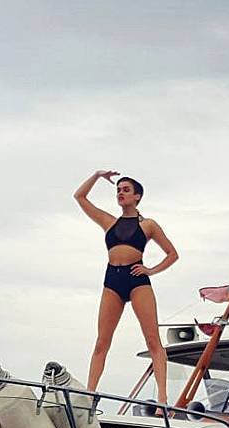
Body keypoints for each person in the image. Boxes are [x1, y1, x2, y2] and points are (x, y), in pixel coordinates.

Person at [73, 170, 178, 406]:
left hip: (136, 280)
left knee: (152, 340)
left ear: (137, 196)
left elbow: (172, 254)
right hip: (112, 280)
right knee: (102, 342)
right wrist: (97, 175)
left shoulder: (148, 225)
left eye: (126, 190)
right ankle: (89, 396)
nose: (120, 193)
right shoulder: (109, 222)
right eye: (118, 190)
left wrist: (151, 270)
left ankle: (162, 400)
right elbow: (79, 197)